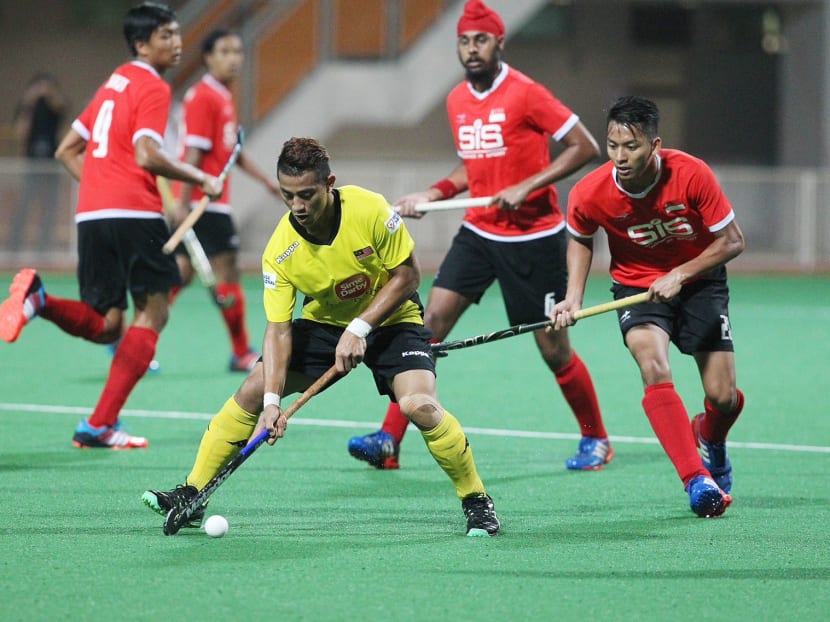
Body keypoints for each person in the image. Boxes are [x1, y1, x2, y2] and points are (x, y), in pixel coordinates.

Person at [142, 137, 500, 536]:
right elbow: (278, 330)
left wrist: (360, 327)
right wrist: (272, 402)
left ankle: (477, 500)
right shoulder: (280, 250)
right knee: (253, 389)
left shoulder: (370, 209)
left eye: (307, 195)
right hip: (326, 325)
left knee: (419, 405)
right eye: (287, 195)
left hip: (393, 318)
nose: (298, 207)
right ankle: (193, 493)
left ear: (330, 183)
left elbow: (408, 276)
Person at [348, 0, 610, 472]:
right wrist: (434, 191)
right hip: (478, 235)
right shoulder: (456, 100)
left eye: (481, 40)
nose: (472, 49)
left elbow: (586, 147)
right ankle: (389, 439)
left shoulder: (527, 93)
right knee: (428, 327)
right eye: (464, 41)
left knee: (553, 347)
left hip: (534, 238)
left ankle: (597, 439)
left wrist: (528, 185)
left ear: (499, 43)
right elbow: (475, 164)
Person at [0, 2, 223, 449]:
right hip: (134, 214)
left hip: (93, 214)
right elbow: (145, 153)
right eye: (165, 36)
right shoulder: (153, 86)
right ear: (141, 43)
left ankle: (40, 299)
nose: (177, 44)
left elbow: (67, 150)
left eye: (177, 34)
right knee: (154, 311)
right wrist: (201, 178)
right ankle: (101, 423)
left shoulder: (111, 84)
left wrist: (104, 189)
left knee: (106, 323)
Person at [550, 95, 745, 518]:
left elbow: (732, 241)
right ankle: (697, 480)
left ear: (655, 146)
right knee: (652, 366)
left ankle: (710, 436)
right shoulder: (589, 192)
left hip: (699, 283)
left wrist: (680, 273)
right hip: (637, 288)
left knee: (723, 397)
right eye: (613, 145)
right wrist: (573, 297)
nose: (620, 156)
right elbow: (581, 238)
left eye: (631, 147)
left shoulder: (692, 174)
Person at [170, 27, 281, 372]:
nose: (234, 58)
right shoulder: (205, 95)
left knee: (181, 274)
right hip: (206, 202)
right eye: (225, 51)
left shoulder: (221, 95)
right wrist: (183, 202)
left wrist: (266, 181)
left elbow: (232, 150)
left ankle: (131, 338)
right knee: (227, 270)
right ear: (208, 57)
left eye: (237, 51)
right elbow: (194, 152)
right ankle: (241, 351)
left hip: (204, 199)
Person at [11, 72, 67, 251]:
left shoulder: (54, 106)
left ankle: (45, 246)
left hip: (51, 166)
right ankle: (14, 245)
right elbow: (21, 133)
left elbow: (61, 108)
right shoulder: (28, 108)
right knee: (25, 205)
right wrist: (30, 100)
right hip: (32, 165)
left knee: (49, 208)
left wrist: (50, 93)